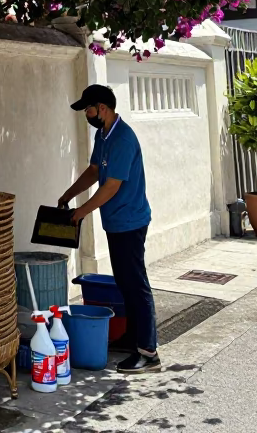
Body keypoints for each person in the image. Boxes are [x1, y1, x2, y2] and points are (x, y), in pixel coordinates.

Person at [58, 84, 159, 374]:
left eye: (88, 109)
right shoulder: (103, 135)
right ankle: (133, 337)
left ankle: (148, 352)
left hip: (130, 221)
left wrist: (81, 212)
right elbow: (94, 172)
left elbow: (112, 186)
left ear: (102, 108)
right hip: (116, 221)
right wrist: (68, 195)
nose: (86, 115)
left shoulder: (123, 139)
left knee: (136, 283)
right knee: (125, 282)